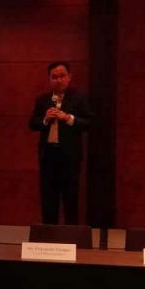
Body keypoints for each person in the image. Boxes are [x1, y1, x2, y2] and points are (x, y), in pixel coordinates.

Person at [29, 61, 91, 225]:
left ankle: (71, 235)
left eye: (62, 76)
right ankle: (49, 234)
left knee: (70, 199)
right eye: (54, 77)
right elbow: (32, 124)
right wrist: (45, 119)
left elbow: (89, 123)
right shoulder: (43, 100)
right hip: (48, 157)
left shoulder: (79, 98)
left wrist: (68, 118)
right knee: (48, 200)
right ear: (49, 79)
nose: (58, 80)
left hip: (69, 157)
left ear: (69, 77)